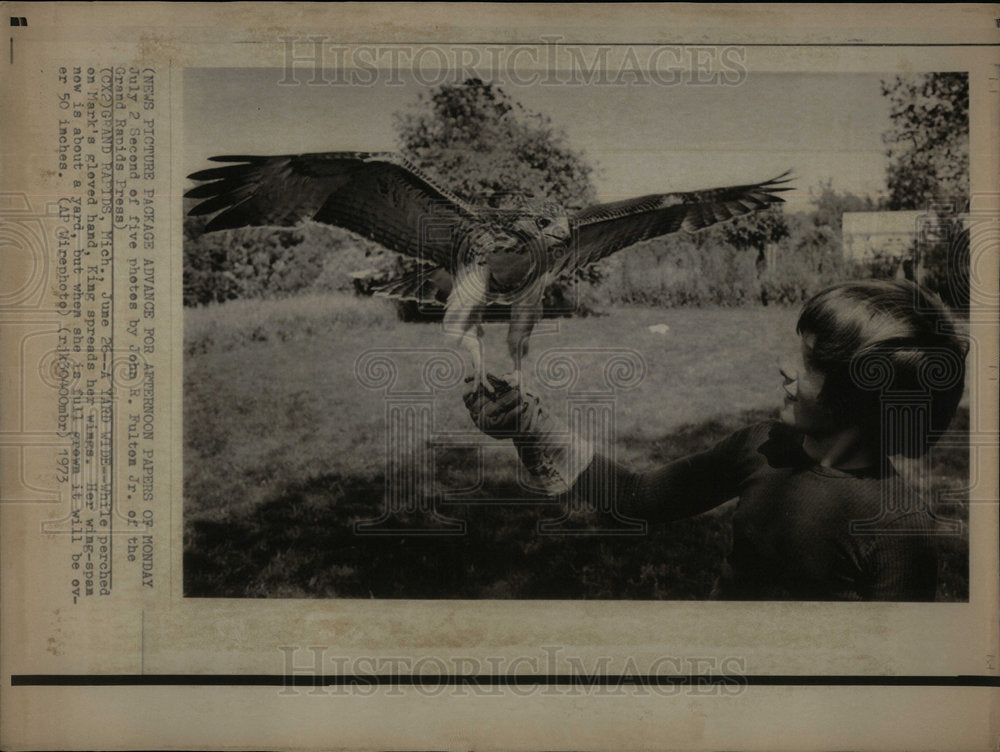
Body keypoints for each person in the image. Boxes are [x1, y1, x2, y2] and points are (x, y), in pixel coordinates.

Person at [463, 280, 967, 601]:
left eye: (810, 363)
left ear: (862, 395)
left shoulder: (899, 528)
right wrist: (528, 425)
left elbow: (892, 681)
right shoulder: (762, 446)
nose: (784, 366)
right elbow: (637, 500)